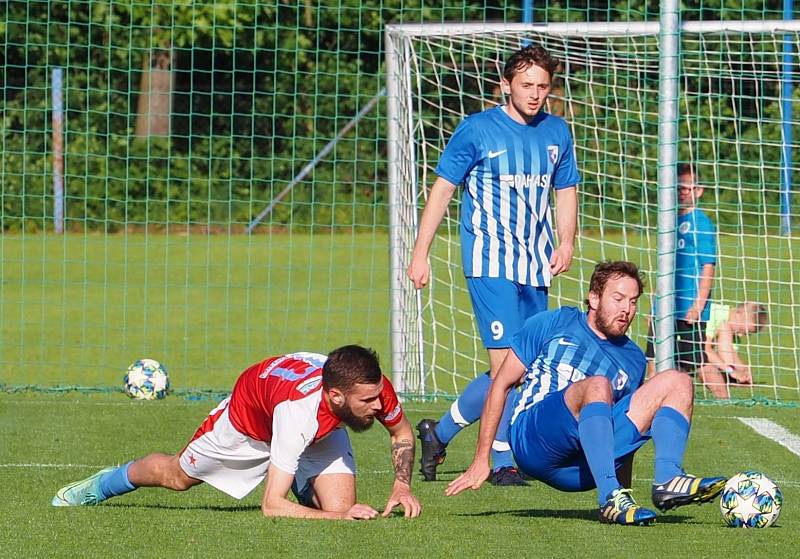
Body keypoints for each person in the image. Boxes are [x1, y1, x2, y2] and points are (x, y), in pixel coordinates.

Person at [408, 43, 580, 485]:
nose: (535, 93)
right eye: (526, 85)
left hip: (537, 266)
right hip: (490, 264)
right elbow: (443, 190)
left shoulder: (557, 133)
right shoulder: (477, 131)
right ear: (506, 85)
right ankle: (501, 459)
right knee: (507, 363)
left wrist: (566, 241)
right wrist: (420, 253)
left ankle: (439, 432)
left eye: (543, 86)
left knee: (525, 365)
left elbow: (565, 190)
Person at [446, 261, 726, 526]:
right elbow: (500, 384)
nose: (626, 309)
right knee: (598, 384)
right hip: (533, 439)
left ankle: (666, 478)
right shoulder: (555, 322)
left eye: (632, 301)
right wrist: (482, 458)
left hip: (584, 465)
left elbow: (624, 425)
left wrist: (625, 490)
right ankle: (609, 498)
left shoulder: (633, 359)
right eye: (618, 299)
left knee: (678, 381)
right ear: (594, 298)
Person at [52, 345, 422, 520]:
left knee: (343, 507)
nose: (378, 406)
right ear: (337, 396)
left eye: (378, 397)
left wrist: (401, 485)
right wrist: (336, 518)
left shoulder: (371, 386)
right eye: (369, 401)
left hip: (317, 427)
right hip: (247, 426)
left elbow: (402, 433)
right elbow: (271, 507)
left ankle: (296, 474)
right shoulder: (297, 413)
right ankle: (100, 485)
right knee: (176, 476)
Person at [647, 162, 717, 378]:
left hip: (689, 307)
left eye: (688, 188)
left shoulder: (701, 223)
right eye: (679, 188)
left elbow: (708, 267)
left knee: (696, 364)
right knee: (653, 358)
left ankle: (726, 401)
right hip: (666, 305)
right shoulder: (669, 221)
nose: (683, 193)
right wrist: (655, 305)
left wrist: (698, 306)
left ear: (700, 190)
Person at [697, 301, 769, 399]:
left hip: (698, 356)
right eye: (742, 331)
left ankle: (723, 399)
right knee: (712, 371)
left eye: (746, 334)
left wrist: (745, 371)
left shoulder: (730, 327)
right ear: (738, 314)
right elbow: (704, 350)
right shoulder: (715, 313)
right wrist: (731, 371)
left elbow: (730, 357)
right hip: (683, 348)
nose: (740, 335)